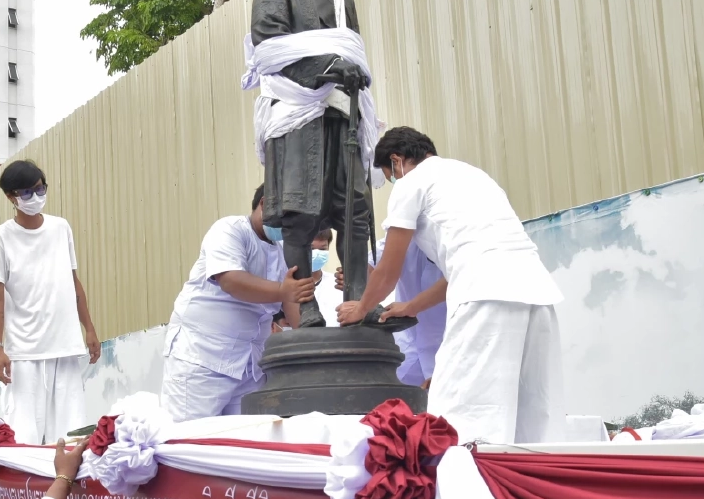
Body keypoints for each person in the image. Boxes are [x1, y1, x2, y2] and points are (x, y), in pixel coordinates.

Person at [338, 126, 564, 444]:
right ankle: (529, 474)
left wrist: (360, 309)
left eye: (390, 176)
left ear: (397, 161)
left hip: (484, 297)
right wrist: (412, 306)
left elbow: (387, 271)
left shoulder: (411, 183)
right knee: (532, 414)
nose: (393, 182)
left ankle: (468, 476)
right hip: (536, 292)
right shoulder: (475, 176)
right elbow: (465, 265)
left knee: (461, 415)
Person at [250, 0, 374, 328]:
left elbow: (352, 51)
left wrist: (351, 71)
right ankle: (305, 307)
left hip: (341, 114)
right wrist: (330, 67)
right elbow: (270, 47)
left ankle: (359, 301)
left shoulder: (341, 1)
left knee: (354, 210)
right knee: (300, 213)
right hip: (297, 113)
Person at [161, 185, 316, 422]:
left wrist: (312, 342)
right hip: (203, 359)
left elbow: (294, 307)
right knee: (189, 437)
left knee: (244, 437)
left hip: (249, 367)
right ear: (265, 204)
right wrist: (283, 290)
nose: (290, 226)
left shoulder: (283, 251)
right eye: (289, 217)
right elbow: (231, 280)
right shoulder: (229, 230)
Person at [0, 160, 101, 444]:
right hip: (24, 353)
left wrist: (89, 328)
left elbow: (73, 282)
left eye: (39, 189)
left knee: (71, 437)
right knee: (24, 439)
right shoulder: (0, 238)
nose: (35, 197)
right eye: (26, 192)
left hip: (65, 347)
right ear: (11, 197)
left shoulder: (61, 228)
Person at [336, 239, 447, 386]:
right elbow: (374, 268)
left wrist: (362, 308)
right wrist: (356, 278)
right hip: (409, 344)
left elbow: (457, 277)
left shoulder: (459, 238)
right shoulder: (404, 237)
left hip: (451, 344)